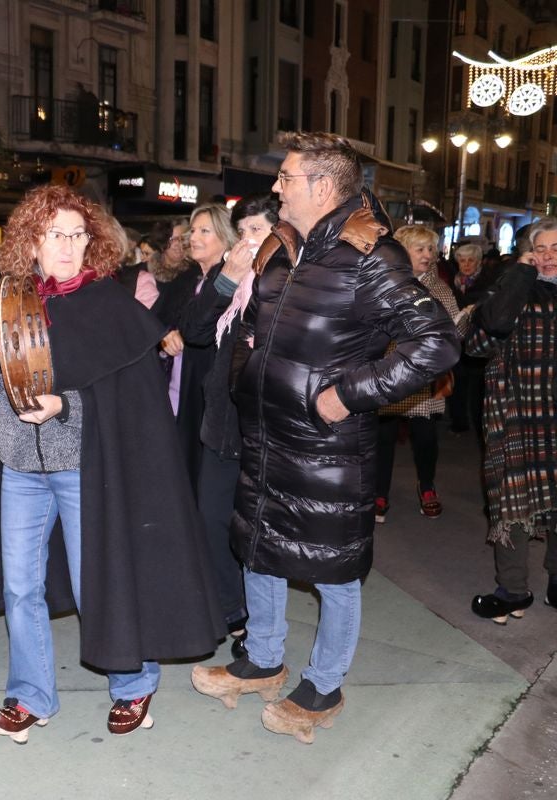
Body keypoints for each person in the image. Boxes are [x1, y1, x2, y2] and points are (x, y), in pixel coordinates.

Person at [190, 132, 458, 743]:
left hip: (329, 448)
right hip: (267, 435)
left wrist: (348, 394)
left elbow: (437, 341)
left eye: (286, 177)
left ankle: (325, 683)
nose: (277, 187)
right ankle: (261, 659)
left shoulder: (370, 256)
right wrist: (247, 375)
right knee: (258, 546)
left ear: (321, 184)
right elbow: (256, 327)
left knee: (333, 570)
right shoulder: (283, 249)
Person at [0, 185, 222, 742]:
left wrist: (65, 403)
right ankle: (31, 694)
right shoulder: (10, 299)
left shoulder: (111, 303)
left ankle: (133, 684)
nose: (68, 246)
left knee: (98, 577)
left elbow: (133, 399)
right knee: (19, 586)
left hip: (86, 469)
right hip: (21, 470)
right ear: (32, 241)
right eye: (56, 235)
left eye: (78, 234)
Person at [180, 193, 281, 659]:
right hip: (223, 427)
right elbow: (196, 332)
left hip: (270, 432)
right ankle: (231, 612)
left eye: (256, 231)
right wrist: (227, 280)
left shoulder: (290, 285)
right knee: (211, 520)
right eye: (242, 232)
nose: (246, 241)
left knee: (258, 533)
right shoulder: (233, 283)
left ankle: (260, 630)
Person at [469, 218, 557, 623]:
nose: (549, 255)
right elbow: (486, 334)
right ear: (528, 253)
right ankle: (513, 590)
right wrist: (521, 275)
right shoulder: (513, 288)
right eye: (541, 248)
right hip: (515, 412)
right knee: (511, 500)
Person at [374, 225, 466, 523]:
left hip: (425, 374)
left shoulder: (440, 288)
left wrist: (460, 324)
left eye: (431, 249)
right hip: (388, 368)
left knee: (425, 436)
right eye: (420, 249)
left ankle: (426, 486)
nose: (428, 255)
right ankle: (379, 491)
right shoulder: (384, 283)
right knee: (383, 436)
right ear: (402, 250)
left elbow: (453, 329)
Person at [163, 203, 239, 485]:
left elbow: (200, 330)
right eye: (193, 230)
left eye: (204, 231)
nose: (193, 237)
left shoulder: (230, 282)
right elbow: (157, 320)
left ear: (226, 237)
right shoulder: (189, 279)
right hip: (176, 393)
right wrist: (164, 336)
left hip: (203, 398)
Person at [448, 241, 493, 436]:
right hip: (456, 342)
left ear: (479, 262)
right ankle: (459, 423)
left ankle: (479, 426)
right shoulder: (452, 283)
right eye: (462, 260)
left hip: (477, 341)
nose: (466, 265)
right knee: (457, 385)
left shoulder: (489, 283)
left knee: (477, 388)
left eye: (471, 260)